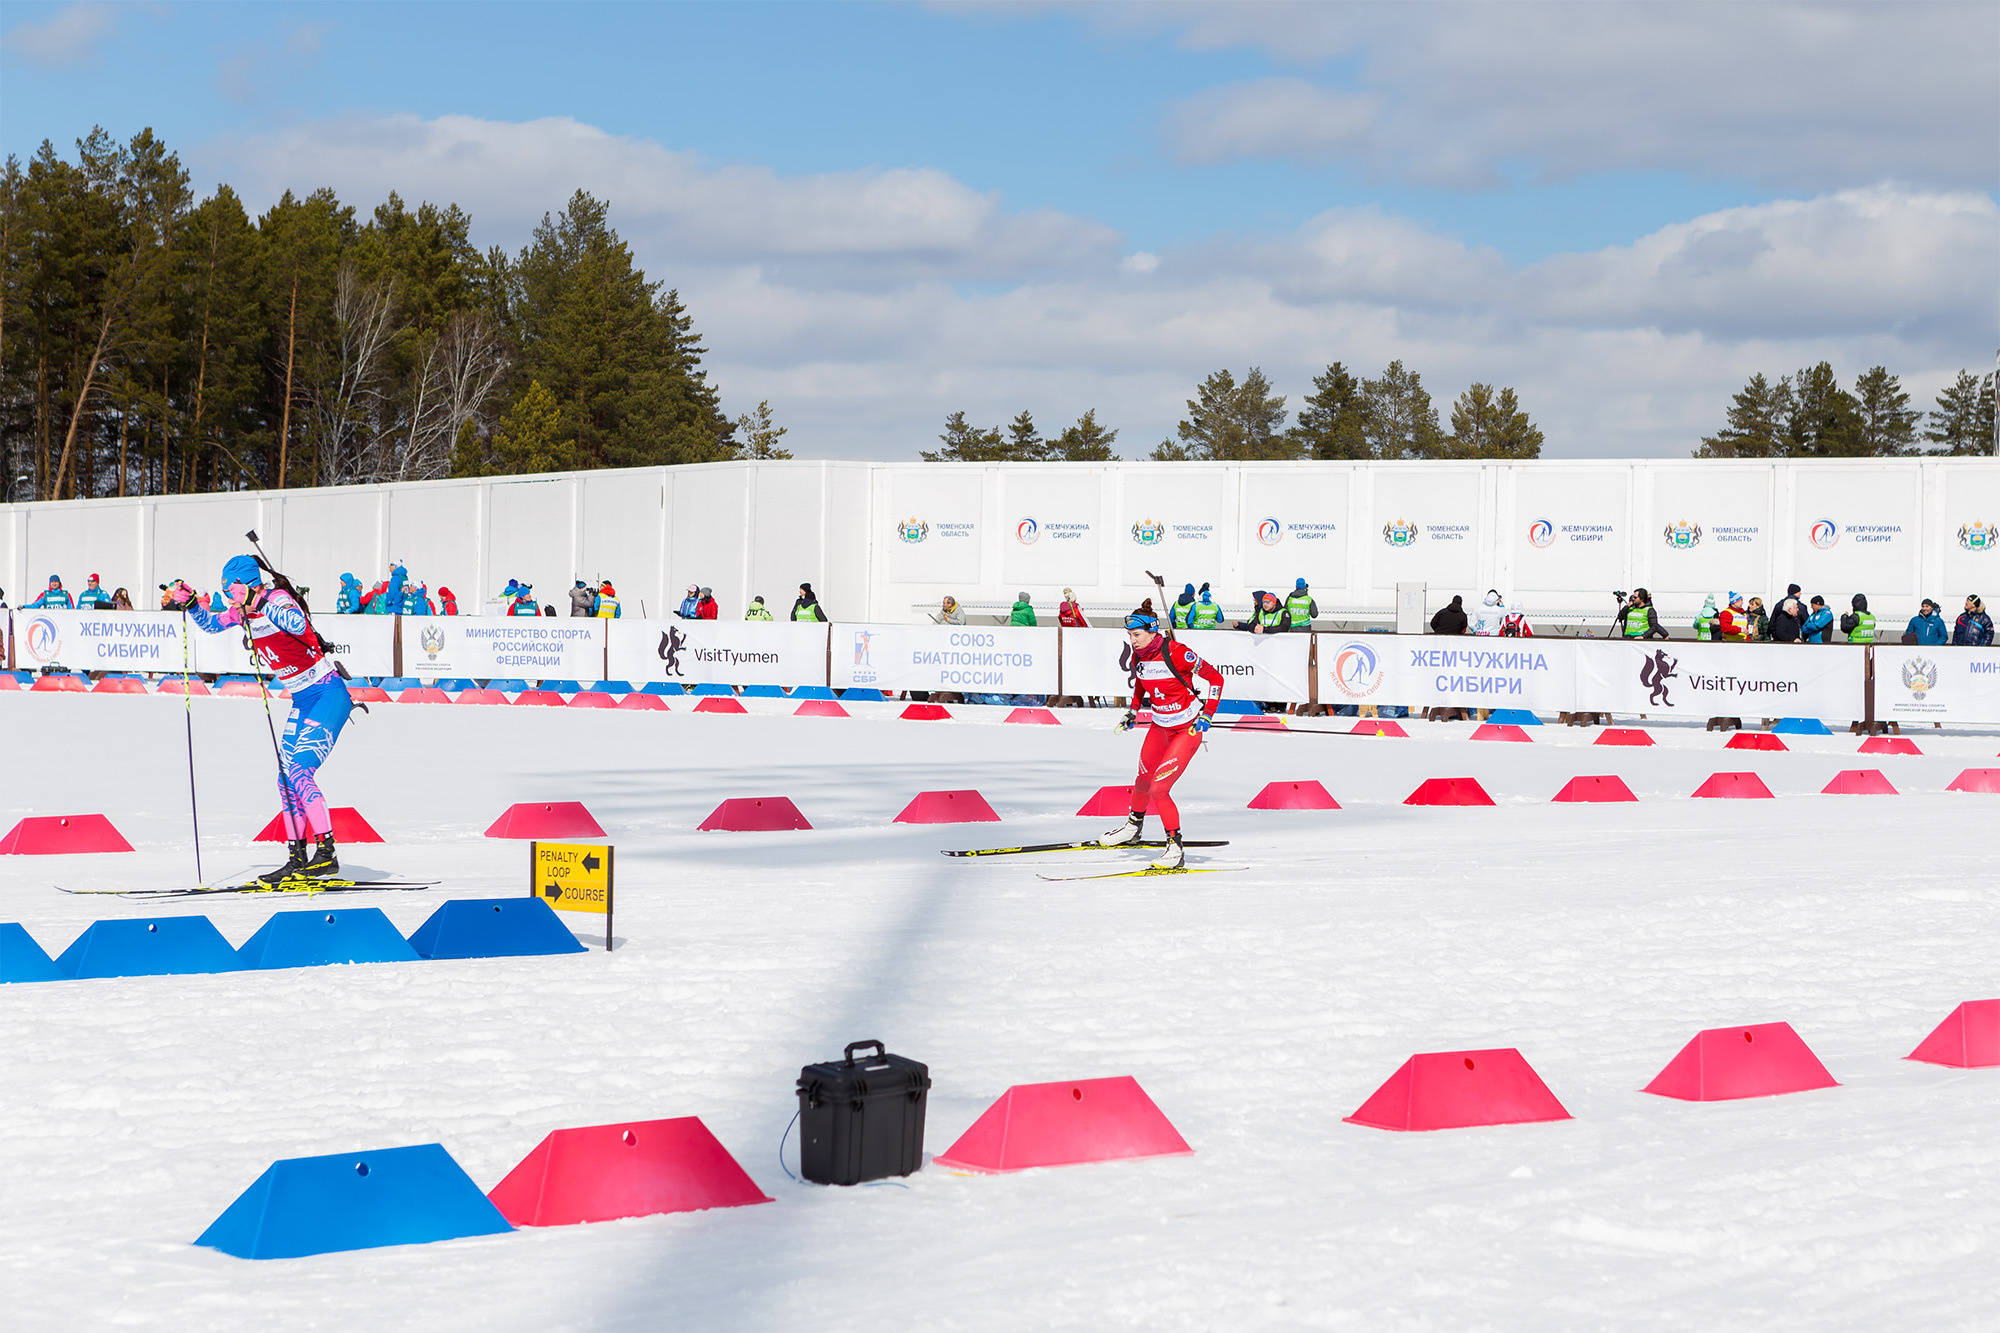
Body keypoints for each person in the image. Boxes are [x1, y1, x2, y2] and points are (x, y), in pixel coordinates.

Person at [166, 555, 354, 884]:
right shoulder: (242, 612)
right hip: (303, 698)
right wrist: (193, 602)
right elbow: (211, 624)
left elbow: (296, 624)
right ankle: (297, 858)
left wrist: (258, 599)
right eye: (224, 592)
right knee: (285, 779)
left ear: (246, 585)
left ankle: (327, 854)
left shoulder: (276, 599)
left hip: (327, 694)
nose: (227, 598)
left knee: (300, 771)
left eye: (230, 590)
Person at [1098, 600, 1224, 871]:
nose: (1132, 641)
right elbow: (1141, 684)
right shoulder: (1139, 655)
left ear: (1153, 632)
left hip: (1186, 729)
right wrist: (1132, 712)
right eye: (1129, 636)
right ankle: (1133, 828)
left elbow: (1216, 679)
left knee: (1159, 788)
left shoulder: (1177, 652)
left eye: (1136, 635)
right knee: (1142, 781)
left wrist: (1207, 714)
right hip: (1159, 726)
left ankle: (1175, 848)